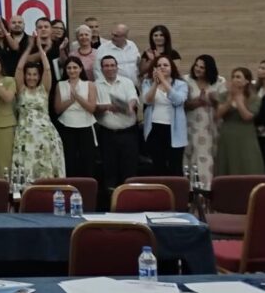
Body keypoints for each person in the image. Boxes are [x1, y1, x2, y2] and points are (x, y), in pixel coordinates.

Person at [12, 36, 65, 180]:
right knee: (27, 166)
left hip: (45, 135)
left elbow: (47, 69)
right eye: (29, 74)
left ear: (39, 76)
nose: (31, 77)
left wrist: (41, 49)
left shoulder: (44, 89)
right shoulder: (21, 89)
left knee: (46, 166)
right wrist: (29, 47)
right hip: (25, 134)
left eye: (35, 75)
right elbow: (19, 68)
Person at [94, 55, 140, 192]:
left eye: (112, 65)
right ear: (102, 69)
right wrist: (107, 107)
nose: (110, 68)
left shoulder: (127, 82)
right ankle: (111, 201)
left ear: (117, 67)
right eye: (106, 66)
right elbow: (93, 107)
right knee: (109, 171)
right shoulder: (95, 85)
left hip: (128, 133)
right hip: (107, 134)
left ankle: (129, 200)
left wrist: (129, 107)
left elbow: (133, 98)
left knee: (129, 170)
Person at [140, 54, 189, 176]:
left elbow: (178, 100)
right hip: (154, 128)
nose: (162, 67)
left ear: (172, 67)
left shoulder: (181, 84)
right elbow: (147, 100)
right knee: (158, 165)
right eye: (159, 65)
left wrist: (163, 81)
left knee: (174, 166)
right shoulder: (147, 82)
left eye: (165, 65)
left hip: (174, 130)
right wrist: (155, 84)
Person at [183, 55, 225, 190]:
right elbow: (182, 104)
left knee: (208, 157)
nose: (198, 69)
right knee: (192, 157)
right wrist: (198, 102)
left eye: (202, 67)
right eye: (196, 65)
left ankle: (207, 190)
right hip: (191, 126)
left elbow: (224, 104)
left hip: (211, 127)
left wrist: (214, 100)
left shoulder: (219, 82)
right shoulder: (186, 80)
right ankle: (192, 191)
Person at [215, 67, 265, 176]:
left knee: (248, 163)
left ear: (247, 81)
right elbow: (218, 115)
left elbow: (247, 116)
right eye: (233, 77)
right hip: (227, 135)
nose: (234, 79)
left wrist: (238, 99)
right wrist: (230, 99)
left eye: (238, 77)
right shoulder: (224, 95)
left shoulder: (254, 98)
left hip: (246, 135)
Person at [54, 56, 98, 178]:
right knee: (69, 160)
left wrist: (77, 97)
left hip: (86, 124)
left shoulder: (89, 85)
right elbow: (57, 109)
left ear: (80, 69)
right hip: (66, 125)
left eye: (75, 67)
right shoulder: (60, 85)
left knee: (88, 160)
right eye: (69, 68)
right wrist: (71, 100)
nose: (72, 70)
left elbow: (92, 108)